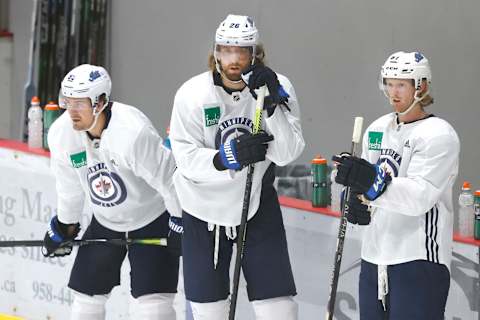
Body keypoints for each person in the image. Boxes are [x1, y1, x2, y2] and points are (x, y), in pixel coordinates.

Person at [169, 14, 305, 320]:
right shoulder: (192, 94)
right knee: (209, 311)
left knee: (279, 308)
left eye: (241, 51)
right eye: (226, 50)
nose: (233, 59)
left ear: (255, 53)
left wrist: (271, 104)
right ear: (215, 53)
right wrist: (225, 157)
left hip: (256, 202)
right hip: (202, 207)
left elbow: (286, 153)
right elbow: (185, 158)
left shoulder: (277, 86)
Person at [42, 64, 183, 320]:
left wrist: (179, 221)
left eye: (80, 104)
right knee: (85, 301)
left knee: (153, 308)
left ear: (101, 102)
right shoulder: (62, 134)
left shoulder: (132, 133)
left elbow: (169, 179)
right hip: (105, 222)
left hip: (152, 219)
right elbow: (69, 188)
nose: (72, 112)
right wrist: (66, 226)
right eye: (68, 101)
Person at [333, 51, 460, 319]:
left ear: (421, 86)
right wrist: (354, 199)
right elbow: (366, 189)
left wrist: (369, 183)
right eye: (389, 84)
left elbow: (419, 197)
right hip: (374, 256)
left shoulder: (439, 134)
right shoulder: (378, 129)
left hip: (418, 258)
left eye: (401, 84)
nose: (394, 92)